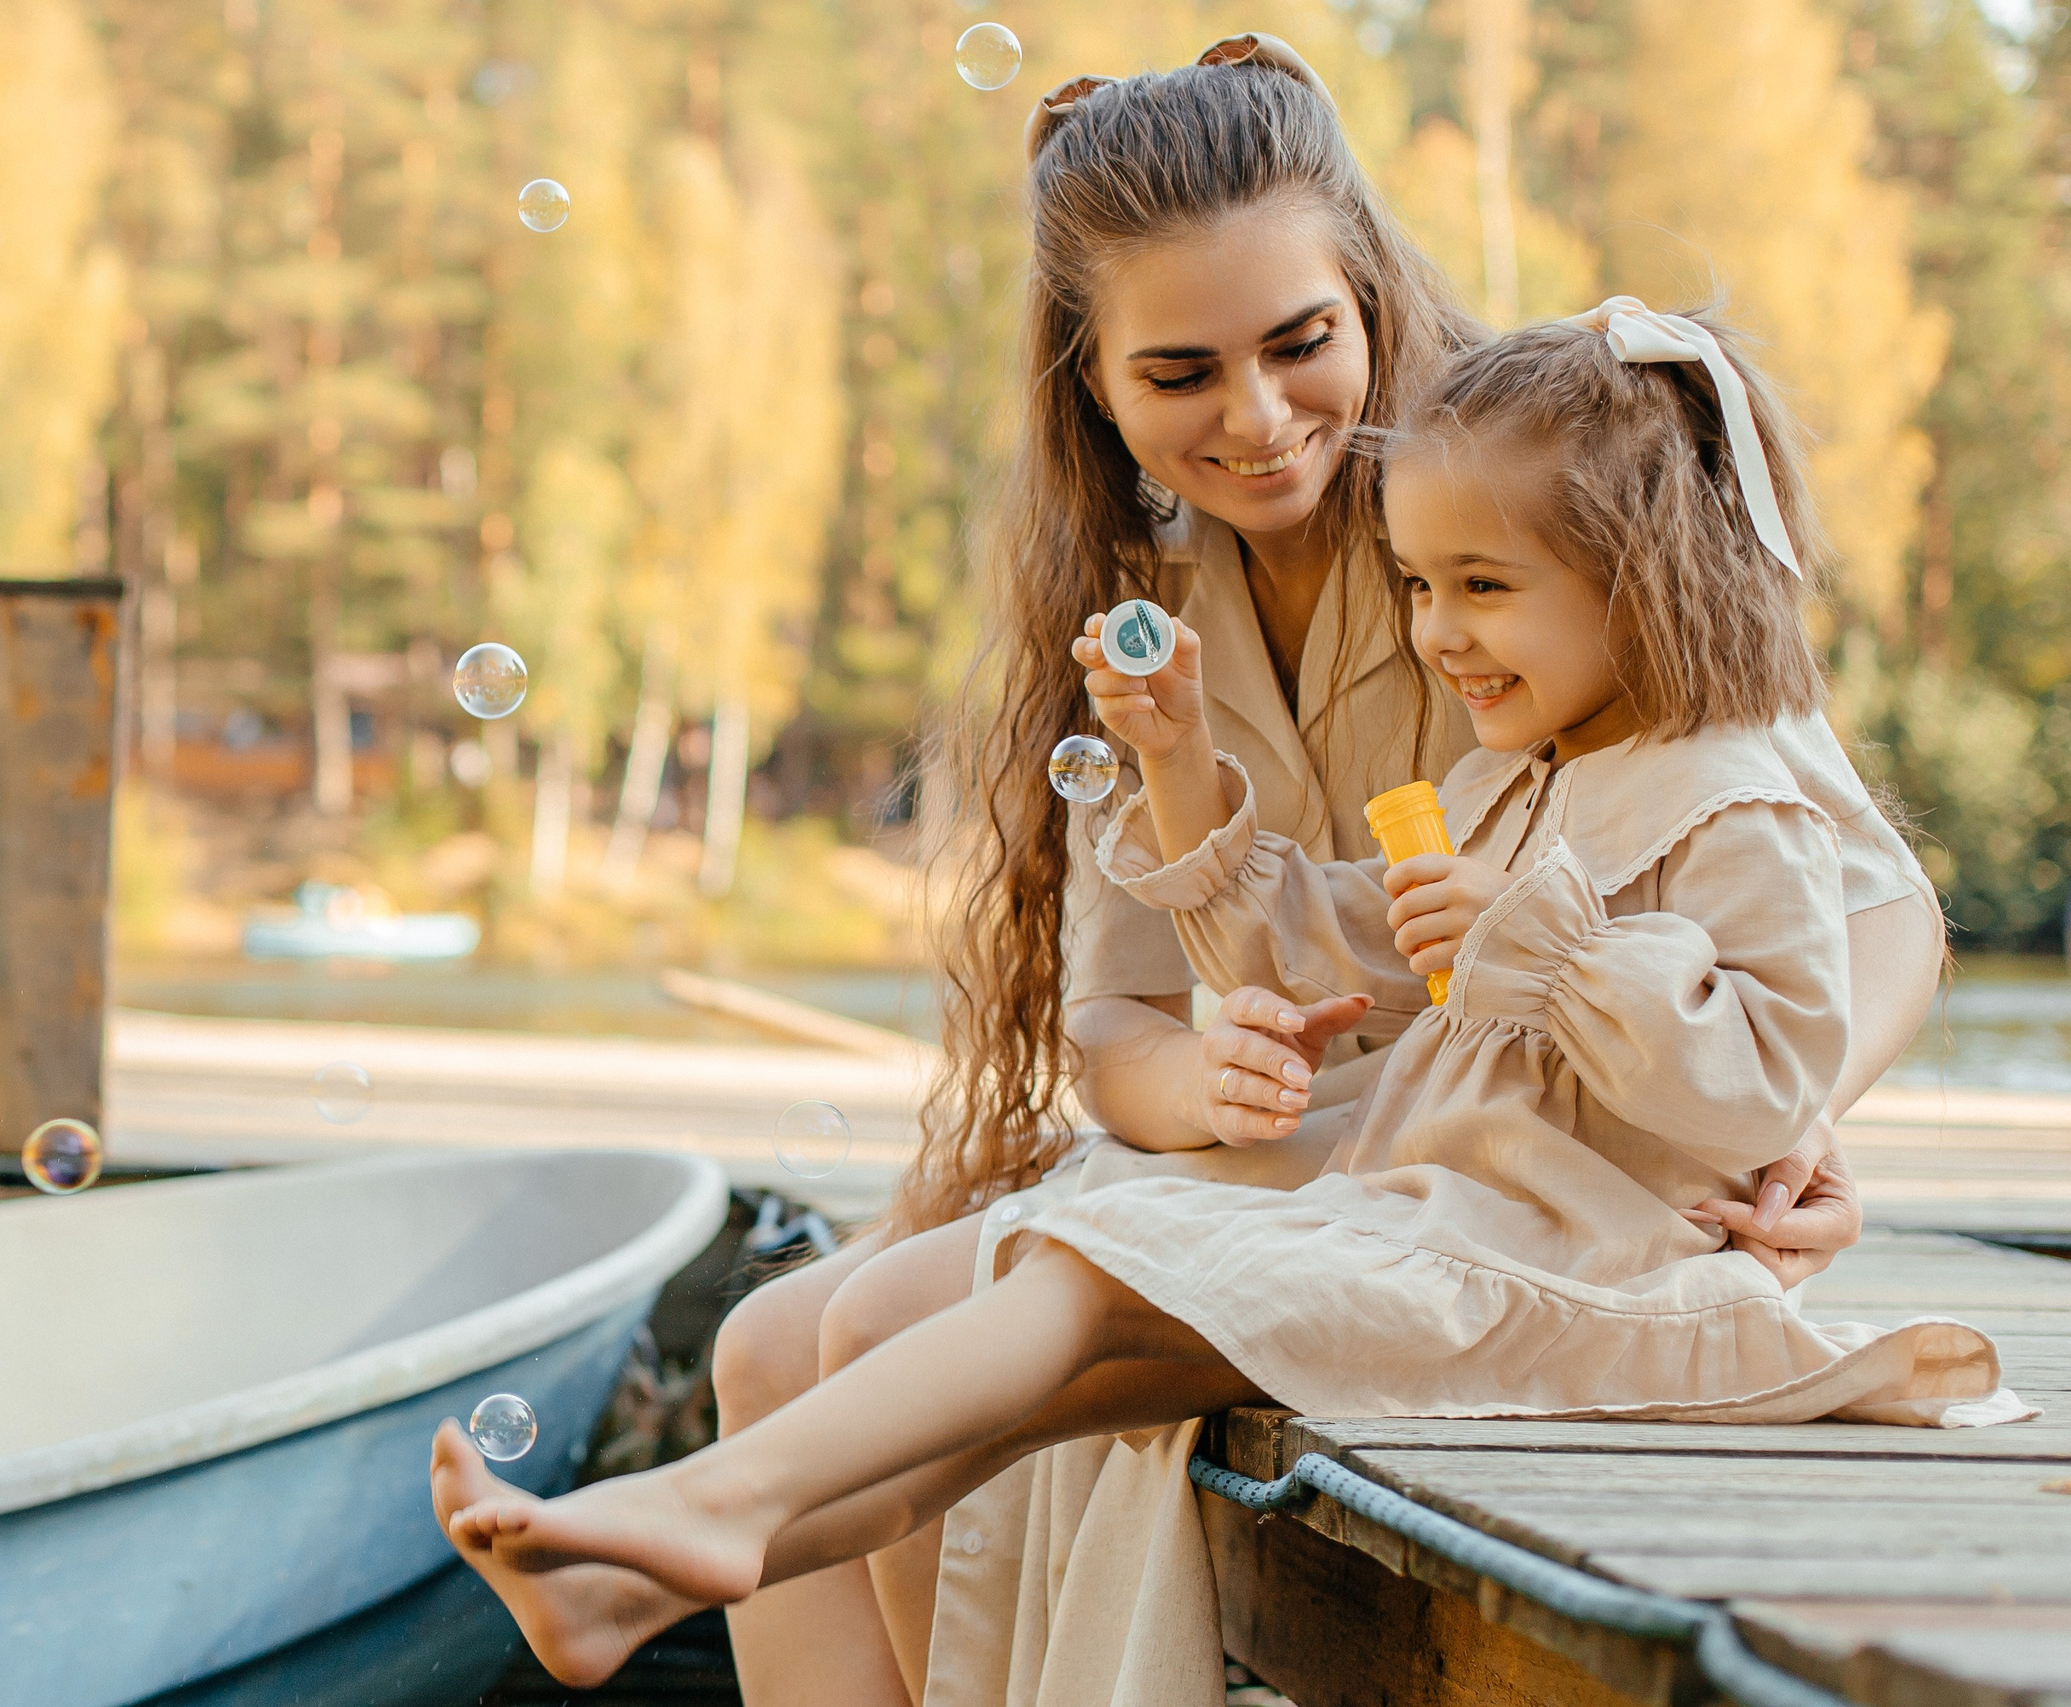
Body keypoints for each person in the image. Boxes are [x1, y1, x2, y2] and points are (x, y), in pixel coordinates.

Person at [431, 305, 2023, 1687]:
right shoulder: (1519, 783)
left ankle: (700, 1511)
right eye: (1417, 586)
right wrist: (1186, 767)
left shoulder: (1737, 804)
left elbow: (1765, 1082)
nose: (1437, 633)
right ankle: (627, 1580)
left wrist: (1554, 951)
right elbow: (1330, 941)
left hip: (1590, 1282)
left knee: (1088, 1273)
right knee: (1003, 1412)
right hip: (1440, 1234)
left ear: (1650, 579)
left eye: (1482, 588)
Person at [706, 37, 1941, 1707]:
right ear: (1093, 384)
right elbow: (1123, 1031)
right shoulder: (1142, 608)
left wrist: (1791, 1109)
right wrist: (1194, 1081)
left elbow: (1866, 892)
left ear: (1367, 293)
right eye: (1180, 372)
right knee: (761, 1341)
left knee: (878, 1334)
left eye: (1300, 344)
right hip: (1282, 1149)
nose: (1261, 417)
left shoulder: (1505, 512)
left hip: (1462, 1149)